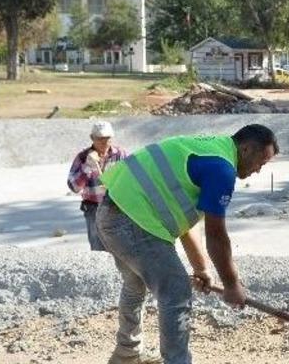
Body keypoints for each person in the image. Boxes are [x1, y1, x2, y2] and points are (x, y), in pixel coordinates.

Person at [96, 124, 278, 364]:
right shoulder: (222, 169)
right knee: (176, 290)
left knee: (135, 284)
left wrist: (201, 268)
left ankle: (126, 354)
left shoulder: (210, 149)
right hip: (133, 222)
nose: (258, 170)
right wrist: (232, 284)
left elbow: (185, 219)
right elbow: (216, 234)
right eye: (261, 162)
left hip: (113, 213)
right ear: (245, 149)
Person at [66, 120, 127, 251]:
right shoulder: (83, 157)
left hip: (117, 207)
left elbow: (131, 179)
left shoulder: (121, 155)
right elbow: (73, 187)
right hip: (93, 208)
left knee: (120, 247)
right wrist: (87, 168)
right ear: (92, 138)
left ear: (112, 137)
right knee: (98, 248)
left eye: (107, 138)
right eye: (99, 138)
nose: (104, 142)